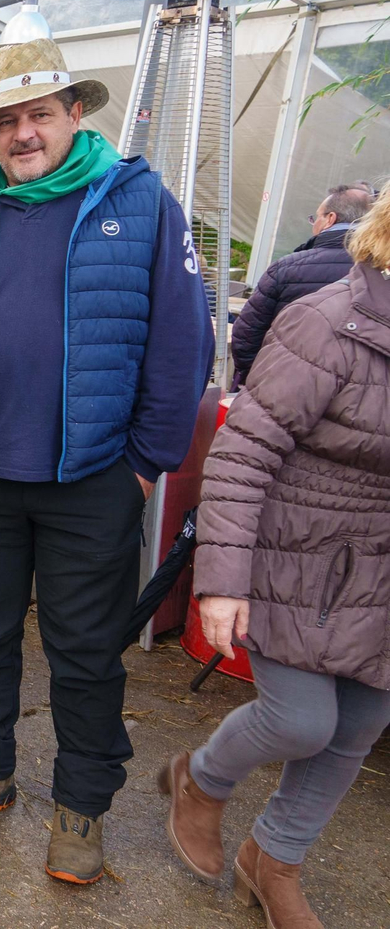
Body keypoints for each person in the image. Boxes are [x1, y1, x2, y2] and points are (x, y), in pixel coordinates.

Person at [0, 38, 215, 884]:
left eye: (40, 114)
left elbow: (185, 344)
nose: (23, 133)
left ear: (77, 115)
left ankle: (82, 805)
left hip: (93, 480)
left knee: (82, 651)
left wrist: (144, 463)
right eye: (7, 120)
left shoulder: (139, 202)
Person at [159, 192, 390, 929]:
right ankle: (200, 778)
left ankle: (275, 860)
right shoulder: (327, 321)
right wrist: (221, 582)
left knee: (359, 726)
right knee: (300, 721)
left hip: (381, 576)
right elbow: (243, 452)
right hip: (297, 557)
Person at [230, 185, 371, 380]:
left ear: (330, 219)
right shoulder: (380, 272)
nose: (313, 224)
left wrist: (258, 379)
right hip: (355, 399)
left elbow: (246, 334)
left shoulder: (287, 268)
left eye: (316, 217)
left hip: (282, 381)